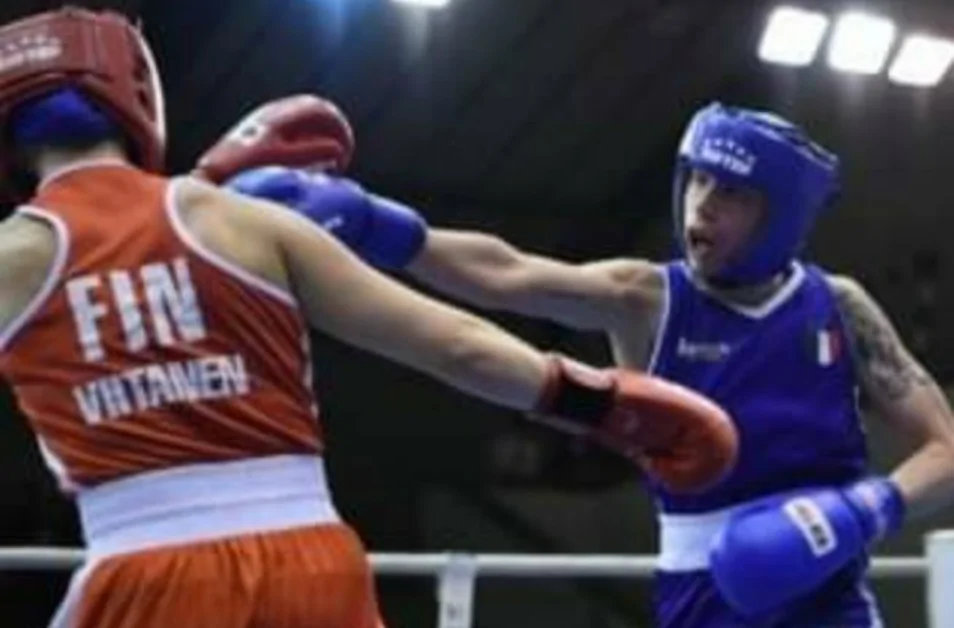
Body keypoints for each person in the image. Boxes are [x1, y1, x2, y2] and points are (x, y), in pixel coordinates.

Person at [0, 8, 738, 628]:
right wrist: (599, 403)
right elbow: (452, 344)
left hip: (143, 578)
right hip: (310, 566)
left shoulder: (11, 258)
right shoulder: (240, 222)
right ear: (135, 92)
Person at [221, 95, 954, 626]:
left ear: (782, 214)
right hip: (703, 597)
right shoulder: (647, 298)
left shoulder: (841, 307)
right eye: (697, 180)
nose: (700, 208)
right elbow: (508, 273)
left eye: (730, 193)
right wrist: (377, 225)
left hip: (831, 594)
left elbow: (946, 449)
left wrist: (864, 508)